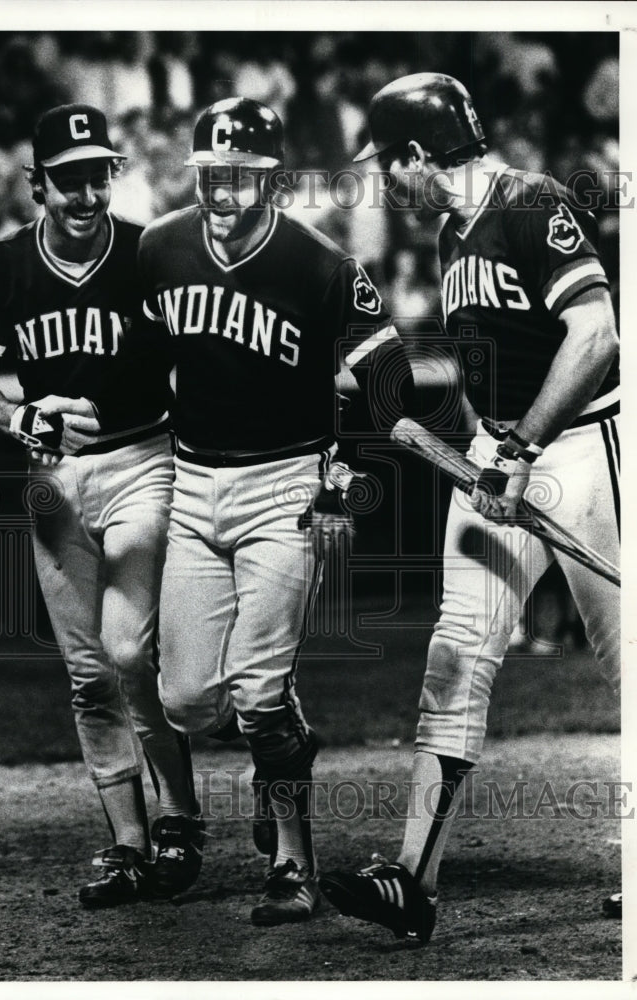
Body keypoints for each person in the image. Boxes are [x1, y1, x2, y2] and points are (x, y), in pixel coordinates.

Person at [319, 73, 621, 943]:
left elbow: (596, 336)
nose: (383, 181)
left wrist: (520, 450)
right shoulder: (453, 232)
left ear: (418, 154)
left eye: (387, 164)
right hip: (503, 454)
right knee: (455, 653)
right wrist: (486, 447)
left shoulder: (530, 202)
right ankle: (411, 881)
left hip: (583, 450)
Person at [136, 97, 416, 926]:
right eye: (213, 172)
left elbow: (385, 365)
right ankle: (280, 745)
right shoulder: (160, 246)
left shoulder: (318, 262)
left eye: (244, 174)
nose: (225, 186)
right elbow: (140, 363)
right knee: (186, 701)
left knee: (257, 691)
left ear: (273, 179)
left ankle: (293, 862)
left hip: (283, 487)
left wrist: (351, 459)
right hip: (191, 485)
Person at [0, 103, 198, 908]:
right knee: (87, 676)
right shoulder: (0, 266)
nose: (85, 195)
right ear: (37, 183)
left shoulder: (151, 251)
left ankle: (180, 818)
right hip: (51, 477)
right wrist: (16, 415)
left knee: (129, 652)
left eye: (97, 176)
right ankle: (129, 844)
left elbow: (199, 356)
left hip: (146, 459)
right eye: (67, 179)